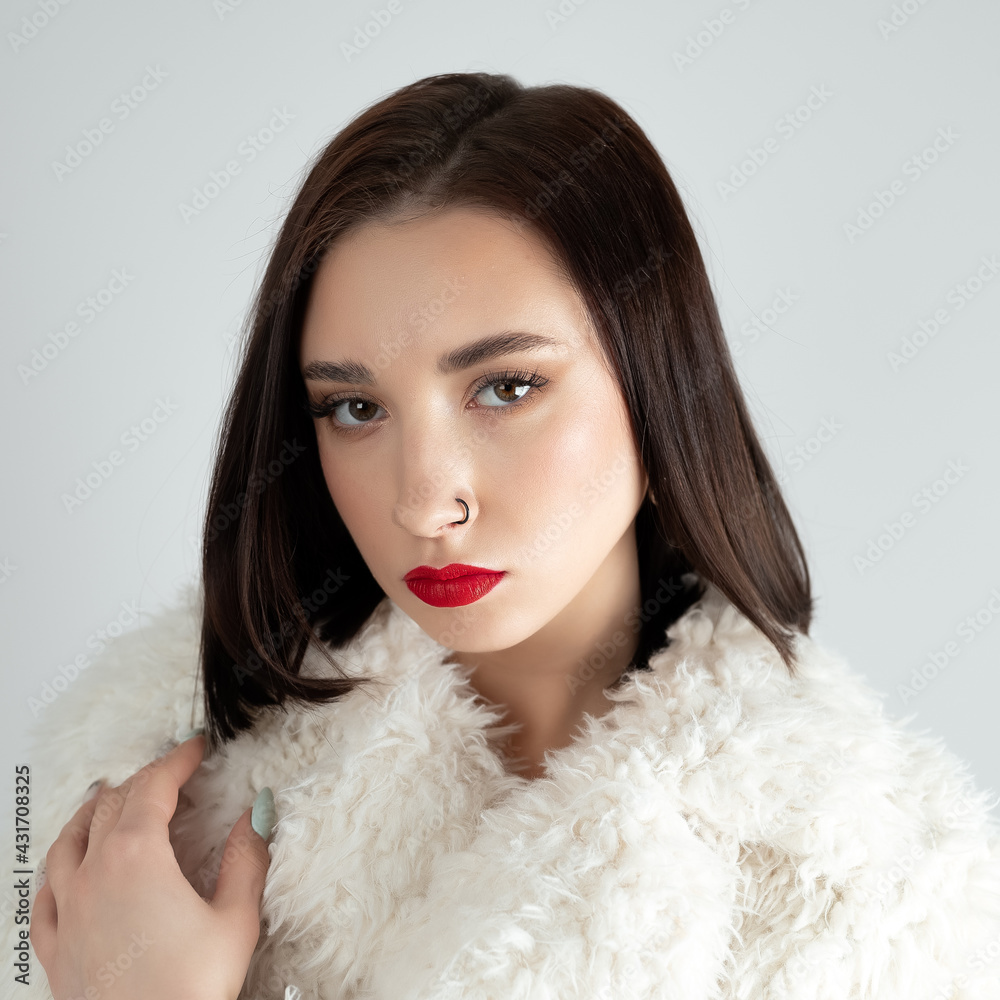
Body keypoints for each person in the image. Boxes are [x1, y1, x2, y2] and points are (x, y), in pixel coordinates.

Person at [21, 72, 1000, 1000]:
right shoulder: (134, 789)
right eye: (355, 406)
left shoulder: (875, 884)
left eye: (505, 387)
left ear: (661, 390)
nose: (422, 501)